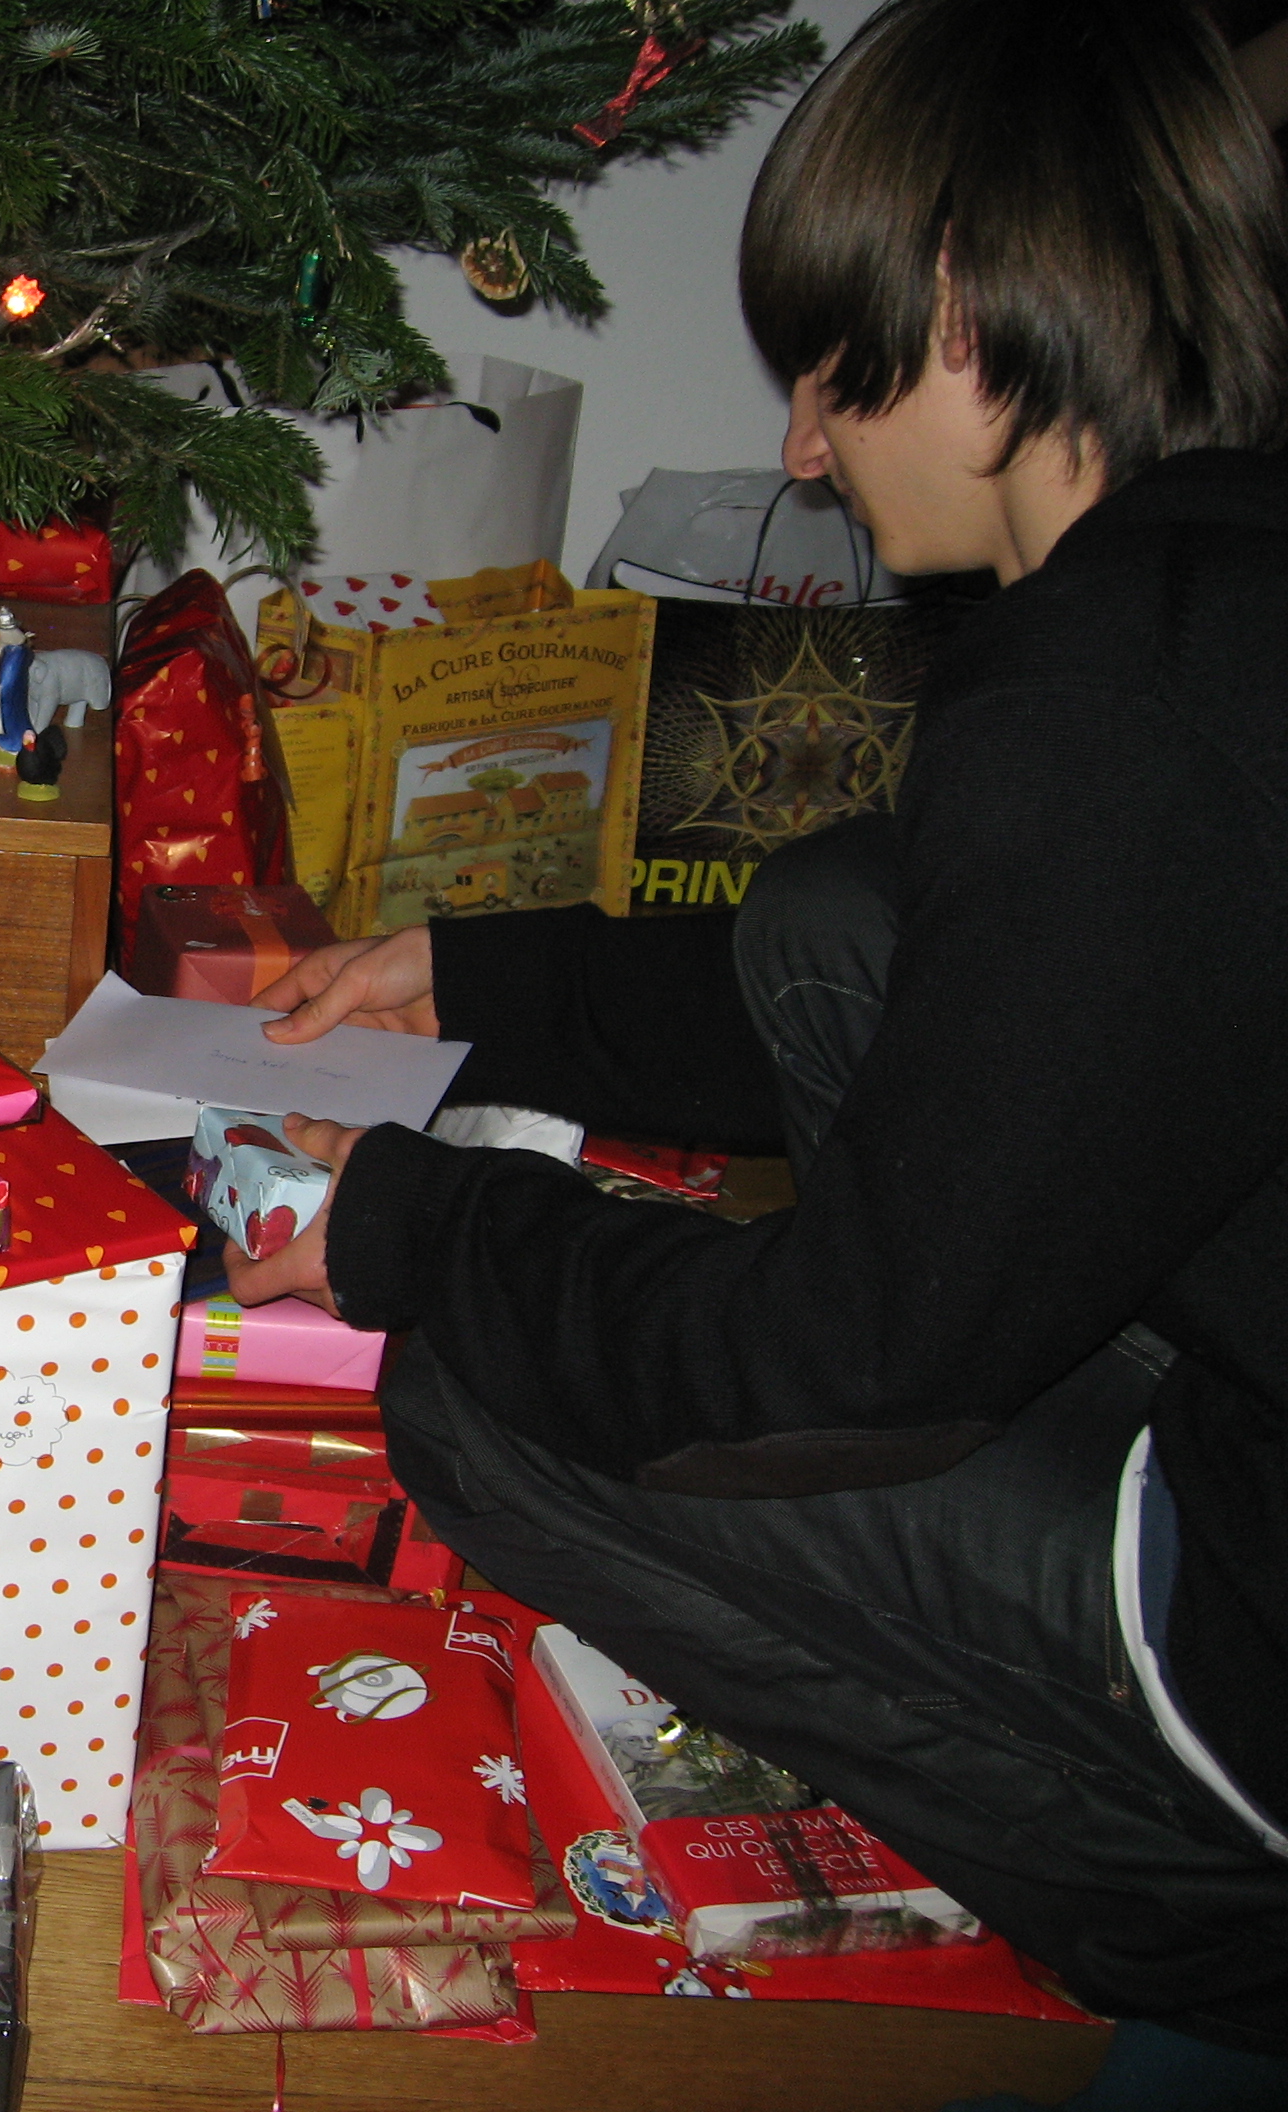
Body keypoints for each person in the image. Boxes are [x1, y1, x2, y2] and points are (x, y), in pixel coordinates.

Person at [223, 1, 1288, 2098]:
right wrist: (479, 974)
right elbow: (995, 993)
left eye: (829, 363)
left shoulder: (1112, 715)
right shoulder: (1207, 592)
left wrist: (427, 1229)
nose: (805, 444)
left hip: (1253, 1617)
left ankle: (1208, 1923)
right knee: (831, 910)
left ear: (963, 302)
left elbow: (842, 1362)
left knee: (478, 1401)